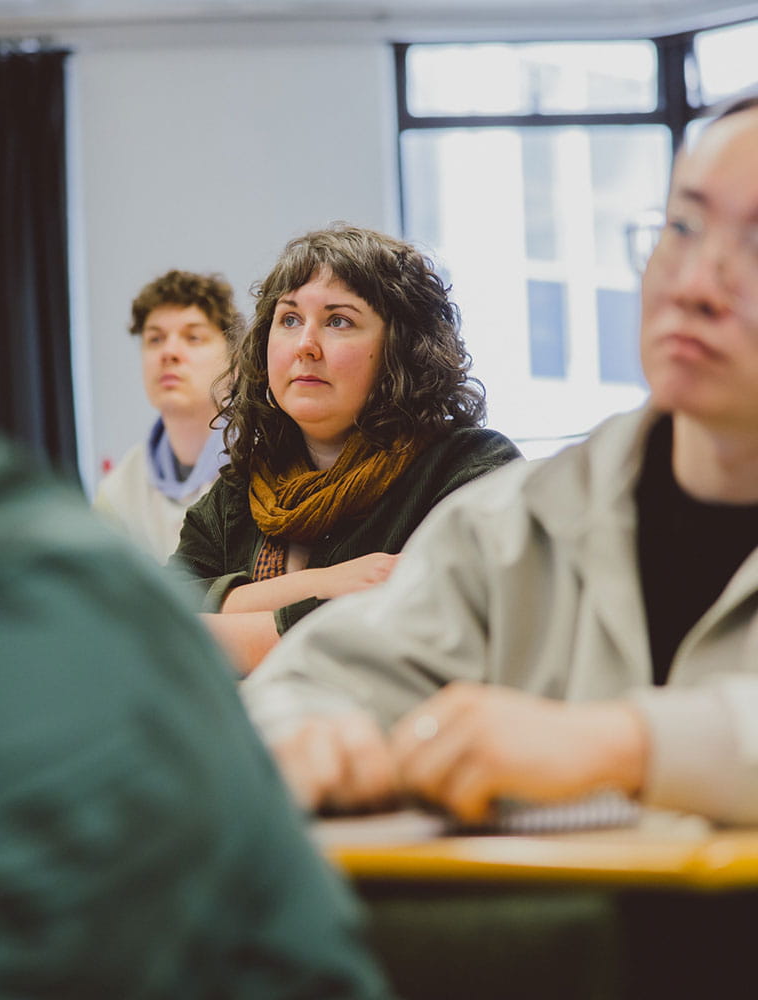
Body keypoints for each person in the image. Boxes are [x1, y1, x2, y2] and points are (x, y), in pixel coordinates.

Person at [0, 105, 396, 998]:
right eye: (290, 321)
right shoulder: (182, 492)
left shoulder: (32, 628)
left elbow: (350, 610)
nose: (308, 349)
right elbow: (195, 596)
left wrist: (257, 607)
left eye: (194, 338)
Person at [241, 94, 758, 827]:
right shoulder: (510, 525)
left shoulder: (466, 468)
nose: (696, 284)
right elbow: (304, 686)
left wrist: (628, 744)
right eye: (683, 227)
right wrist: (314, 739)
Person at [172, 224, 521, 673]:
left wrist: (222, 624)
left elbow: (426, 640)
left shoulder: (471, 471)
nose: (305, 346)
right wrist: (326, 583)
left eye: (339, 321)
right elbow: (149, 628)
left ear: (402, 347)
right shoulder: (237, 495)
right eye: (290, 319)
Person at [94, 269, 242, 562]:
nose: (169, 352)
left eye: (194, 337)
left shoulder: (265, 465)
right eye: (155, 339)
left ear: (235, 363)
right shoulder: (119, 492)